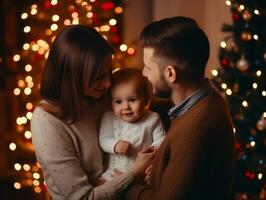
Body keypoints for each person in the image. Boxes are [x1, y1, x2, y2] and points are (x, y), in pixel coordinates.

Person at [31, 25, 155, 200]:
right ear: (72, 77)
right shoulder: (46, 121)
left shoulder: (100, 96)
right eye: (98, 77)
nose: (108, 84)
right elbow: (83, 197)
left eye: (108, 72)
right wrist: (134, 174)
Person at [125, 16, 235, 200]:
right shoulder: (206, 97)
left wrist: (126, 187)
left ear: (170, 73)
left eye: (148, 67)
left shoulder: (196, 127)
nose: (144, 74)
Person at [99, 68, 166, 181]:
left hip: (143, 171)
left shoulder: (153, 118)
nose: (126, 107)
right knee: (105, 184)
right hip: (114, 171)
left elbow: (162, 139)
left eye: (132, 100)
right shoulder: (109, 117)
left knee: (156, 179)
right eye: (118, 102)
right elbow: (103, 139)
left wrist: (154, 150)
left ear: (146, 100)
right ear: (111, 103)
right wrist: (115, 145)